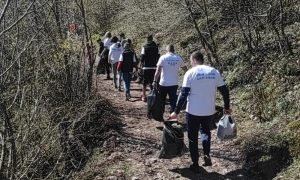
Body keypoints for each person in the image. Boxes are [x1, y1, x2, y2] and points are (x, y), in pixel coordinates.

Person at [169, 51, 232, 173]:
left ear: (193, 60)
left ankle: (195, 163)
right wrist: (226, 106)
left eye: (190, 61)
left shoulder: (190, 73)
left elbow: (183, 94)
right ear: (202, 59)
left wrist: (176, 111)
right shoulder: (214, 72)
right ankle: (207, 154)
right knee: (205, 131)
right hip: (209, 110)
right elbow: (225, 91)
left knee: (192, 137)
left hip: (193, 111)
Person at [152, 44, 186, 114]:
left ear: (167, 50)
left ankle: (160, 115)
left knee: (162, 101)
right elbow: (185, 69)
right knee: (173, 101)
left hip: (163, 83)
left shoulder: (163, 57)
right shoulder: (178, 58)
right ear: (174, 50)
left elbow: (158, 71)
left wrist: (155, 81)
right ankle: (172, 118)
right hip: (174, 83)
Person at [140, 35, 160, 102]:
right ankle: (154, 95)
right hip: (155, 67)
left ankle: (144, 96)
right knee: (153, 81)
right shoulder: (157, 47)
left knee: (144, 83)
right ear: (152, 39)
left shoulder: (144, 47)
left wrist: (140, 67)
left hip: (146, 67)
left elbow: (142, 59)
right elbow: (158, 58)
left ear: (147, 39)